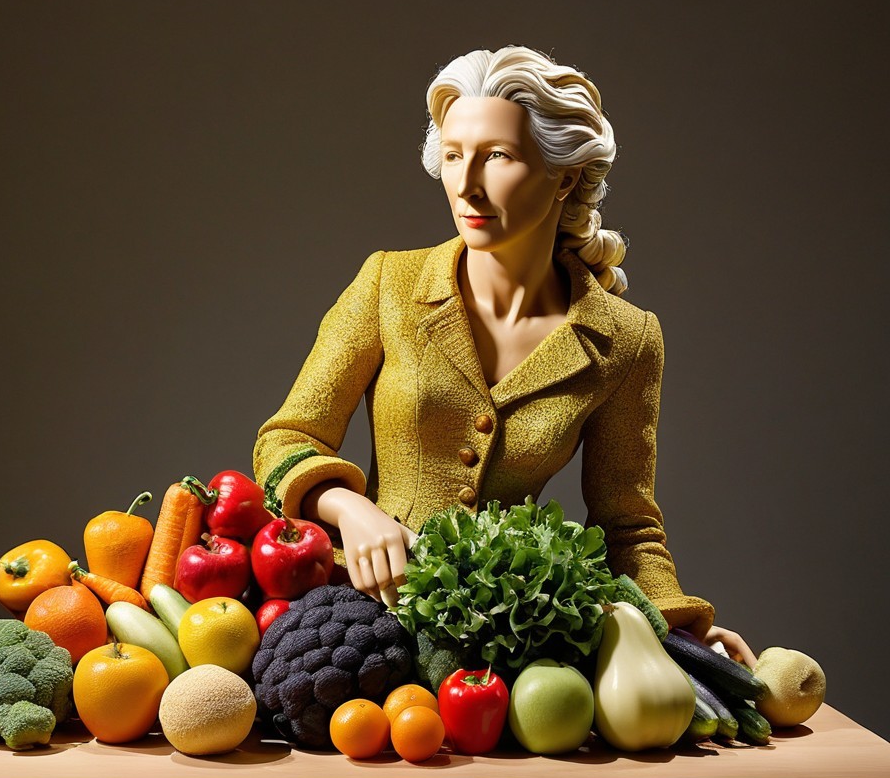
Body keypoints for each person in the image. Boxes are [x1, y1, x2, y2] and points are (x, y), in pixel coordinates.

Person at [253, 46, 753, 660]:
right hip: (360, 622)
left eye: (496, 157)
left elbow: (629, 524)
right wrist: (349, 508)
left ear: (564, 176)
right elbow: (285, 440)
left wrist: (682, 635)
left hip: (515, 643)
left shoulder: (625, 339)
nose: (465, 184)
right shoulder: (390, 284)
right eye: (454, 156)